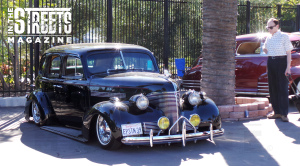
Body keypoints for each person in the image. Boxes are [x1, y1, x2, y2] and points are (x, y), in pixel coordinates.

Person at [263, 18, 293, 122]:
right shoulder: (269, 37)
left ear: (277, 26)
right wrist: (264, 49)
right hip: (271, 61)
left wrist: (288, 67)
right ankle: (277, 112)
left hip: (282, 62)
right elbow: (265, 49)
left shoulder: (284, 36)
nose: (269, 29)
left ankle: (284, 114)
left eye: (271, 27)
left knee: (282, 89)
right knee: (273, 88)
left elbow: (289, 52)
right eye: (267, 27)